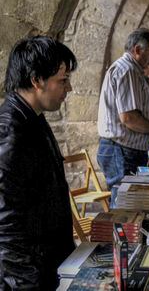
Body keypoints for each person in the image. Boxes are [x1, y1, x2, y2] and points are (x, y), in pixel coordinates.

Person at [0, 36, 77, 289]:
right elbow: (6, 225)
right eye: (62, 81)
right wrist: (28, 284)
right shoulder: (11, 131)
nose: (69, 88)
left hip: (48, 262)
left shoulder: (32, 118)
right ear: (36, 80)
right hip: (28, 276)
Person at [97, 28, 149, 208]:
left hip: (126, 150)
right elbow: (129, 117)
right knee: (124, 206)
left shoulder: (133, 70)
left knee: (131, 204)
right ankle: (120, 237)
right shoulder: (127, 70)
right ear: (137, 50)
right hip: (121, 150)